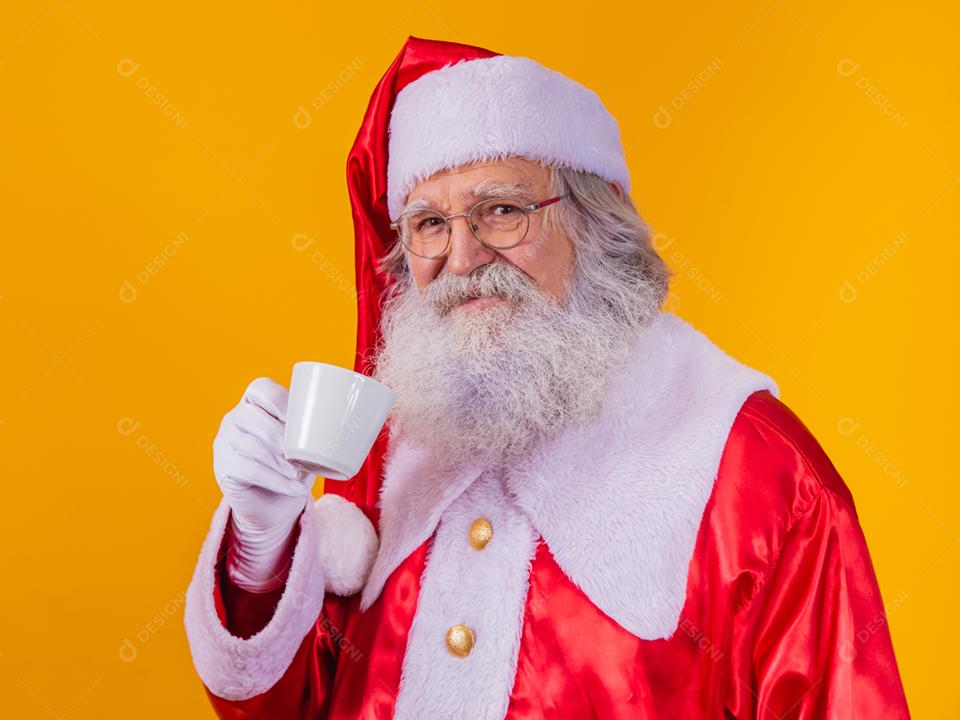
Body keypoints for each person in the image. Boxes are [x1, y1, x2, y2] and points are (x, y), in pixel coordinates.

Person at [182, 35, 911, 719]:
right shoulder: (388, 439)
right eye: (429, 224)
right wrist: (261, 543)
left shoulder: (757, 470)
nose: (461, 259)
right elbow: (294, 703)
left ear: (592, 226)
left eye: (502, 211)